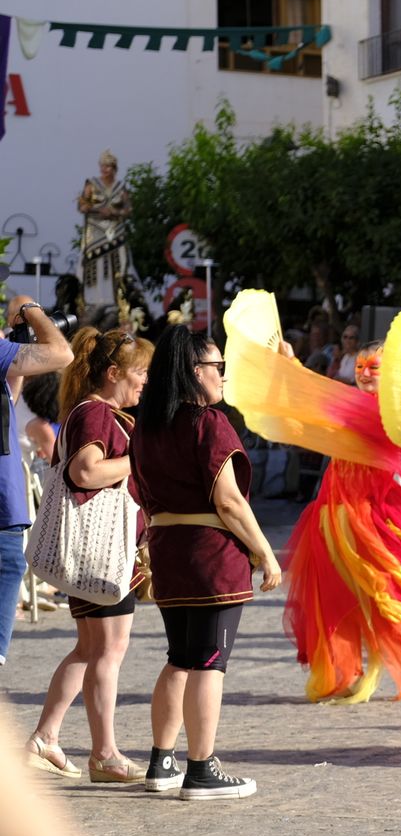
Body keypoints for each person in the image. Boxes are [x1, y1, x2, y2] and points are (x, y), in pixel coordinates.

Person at [282, 340, 401, 703]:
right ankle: (349, 672)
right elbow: (315, 401)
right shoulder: (351, 405)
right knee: (336, 597)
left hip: (373, 515)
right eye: (360, 367)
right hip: (333, 512)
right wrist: (291, 365)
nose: (365, 373)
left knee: (385, 593)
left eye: (374, 367)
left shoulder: (393, 411)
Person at [134, 326, 281, 800]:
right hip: (210, 553)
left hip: (168, 548)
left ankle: (162, 761)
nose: (222, 375)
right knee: (210, 662)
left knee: (180, 657)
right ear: (194, 372)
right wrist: (264, 550)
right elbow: (230, 501)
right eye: (217, 367)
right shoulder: (207, 422)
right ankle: (201, 766)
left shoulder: (148, 426)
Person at [23, 328, 152, 782]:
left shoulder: (94, 412)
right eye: (140, 373)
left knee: (93, 648)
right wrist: (140, 461)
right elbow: (86, 470)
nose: (145, 382)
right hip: (101, 550)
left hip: (96, 552)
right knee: (107, 650)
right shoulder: (98, 414)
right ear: (113, 373)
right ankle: (104, 753)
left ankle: (48, 738)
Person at [0, 301, 74, 665]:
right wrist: (30, 310)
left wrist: (15, 346)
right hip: (3, 510)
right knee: (10, 566)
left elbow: (7, 401)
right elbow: (62, 353)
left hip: (7, 505)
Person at [76, 150, 132, 308]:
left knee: (118, 262)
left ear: (114, 168)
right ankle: (93, 299)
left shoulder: (120, 187)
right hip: (95, 231)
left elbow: (128, 209)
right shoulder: (92, 184)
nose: (104, 169)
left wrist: (115, 212)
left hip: (115, 230)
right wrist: (98, 209)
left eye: (107, 166)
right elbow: (82, 206)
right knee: (95, 263)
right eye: (102, 166)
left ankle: (117, 297)